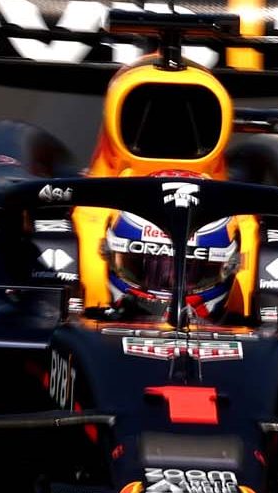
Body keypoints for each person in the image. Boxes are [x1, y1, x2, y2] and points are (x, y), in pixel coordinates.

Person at [72, 57, 258, 322]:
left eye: (195, 273)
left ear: (230, 265)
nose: (169, 294)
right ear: (109, 254)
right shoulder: (91, 220)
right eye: (144, 269)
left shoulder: (242, 224)